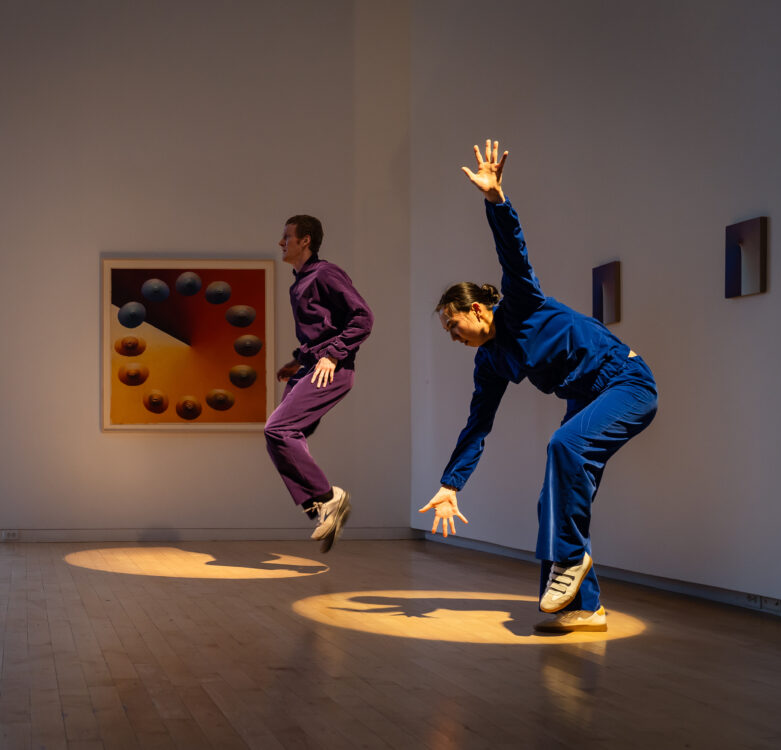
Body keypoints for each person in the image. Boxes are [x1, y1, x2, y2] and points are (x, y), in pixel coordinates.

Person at [419, 140, 658, 632]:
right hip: (586, 398)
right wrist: (450, 484)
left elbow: (514, 250)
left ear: (478, 309)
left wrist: (495, 199)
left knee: (563, 445)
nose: (452, 335)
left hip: (627, 382)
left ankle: (570, 566)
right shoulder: (490, 361)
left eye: (452, 325)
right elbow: (477, 424)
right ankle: (582, 607)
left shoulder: (521, 303)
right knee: (554, 494)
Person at [265, 214, 373, 552]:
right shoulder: (298, 282)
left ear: (305, 240)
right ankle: (321, 509)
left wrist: (334, 354)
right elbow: (319, 329)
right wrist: (297, 360)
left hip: (331, 369)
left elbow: (363, 317)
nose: (281, 242)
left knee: (278, 429)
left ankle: (330, 499)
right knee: (281, 437)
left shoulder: (326, 273)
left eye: (287, 236)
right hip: (310, 366)